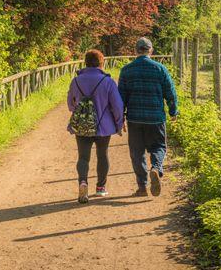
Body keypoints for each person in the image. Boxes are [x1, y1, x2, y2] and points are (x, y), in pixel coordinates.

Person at [118, 37, 178, 197]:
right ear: (150, 50)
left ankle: (142, 187)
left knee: (136, 152)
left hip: (135, 118)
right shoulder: (160, 69)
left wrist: (120, 118)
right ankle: (156, 168)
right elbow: (170, 92)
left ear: (135, 51)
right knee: (159, 146)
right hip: (156, 118)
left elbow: (120, 97)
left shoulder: (126, 70)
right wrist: (173, 111)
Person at [67, 49, 125, 204]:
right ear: (101, 62)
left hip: (82, 125)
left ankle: (83, 182)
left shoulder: (76, 81)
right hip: (103, 127)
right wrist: (119, 124)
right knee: (102, 154)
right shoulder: (108, 82)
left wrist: (81, 110)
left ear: (85, 62)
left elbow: (70, 104)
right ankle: (100, 187)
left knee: (83, 157)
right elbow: (117, 106)